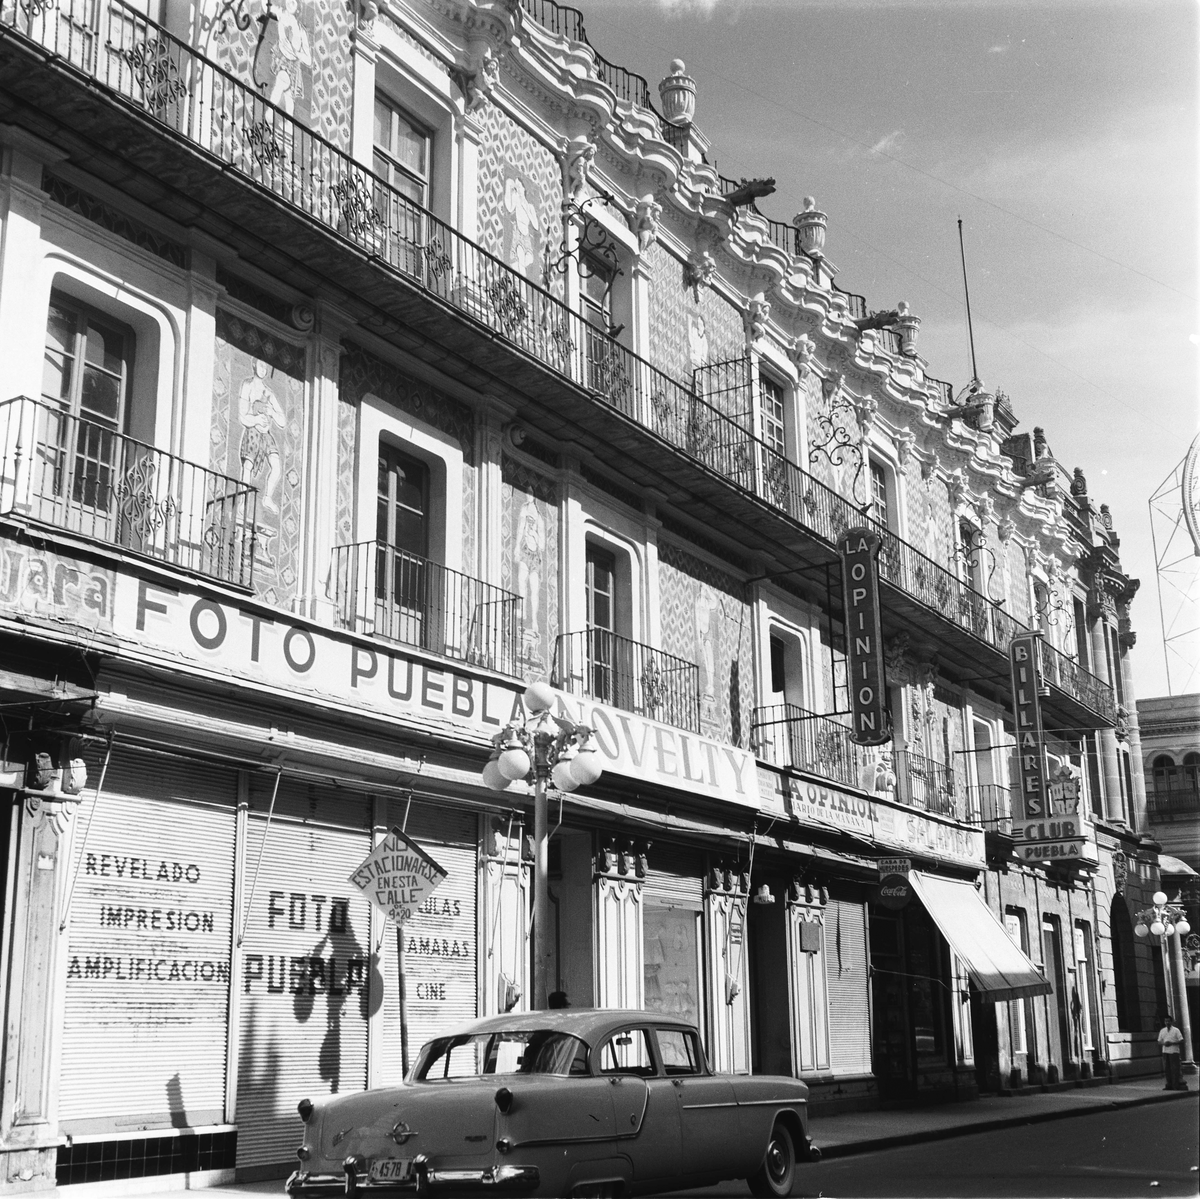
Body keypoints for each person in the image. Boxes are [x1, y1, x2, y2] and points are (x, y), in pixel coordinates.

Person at [1157, 1013, 1187, 1091]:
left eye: (1169, 1021)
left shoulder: (1176, 1030)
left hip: (1174, 1052)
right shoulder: (1162, 1031)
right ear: (1164, 1022)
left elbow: (1181, 1040)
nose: (1167, 1023)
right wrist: (1164, 1043)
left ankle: (1175, 1086)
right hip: (1165, 1052)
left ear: (1171, 1022)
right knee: (1167, 1069)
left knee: (1175, 1069)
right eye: (1166, 1021)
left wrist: (1172, 1043)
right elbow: (1159, 1041)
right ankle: (1169, 1085)